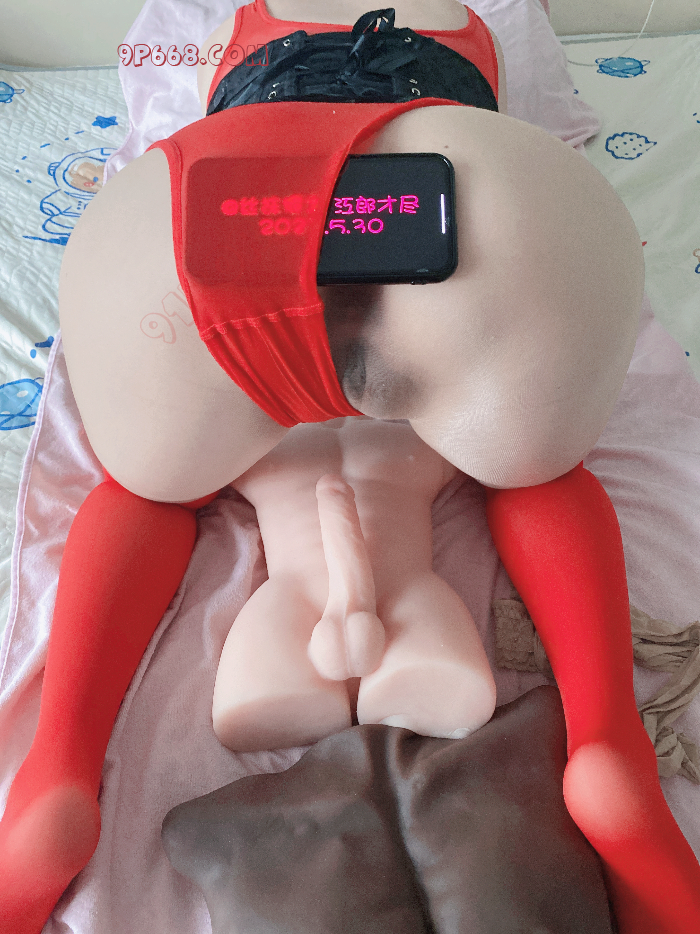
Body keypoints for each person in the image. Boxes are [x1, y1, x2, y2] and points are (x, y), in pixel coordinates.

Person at [0, 2, 698, 933]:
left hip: (208, 232)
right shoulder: (467, 18)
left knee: (146, 490)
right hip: (454, 211)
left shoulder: (225, 27)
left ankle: (60, 764)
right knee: (537, 475)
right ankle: (607, 737)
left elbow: (180, 87)